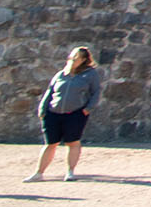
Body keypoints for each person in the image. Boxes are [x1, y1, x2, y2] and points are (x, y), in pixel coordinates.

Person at [25, 45, 103, 183]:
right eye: (71, 57)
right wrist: (43, 109)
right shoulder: (61, 74)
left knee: (72, 142)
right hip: (53, 113)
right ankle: (39, 173)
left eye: (76, 58)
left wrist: (88, 108)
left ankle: (70, 172)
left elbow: (96, 92)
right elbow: (50, 92)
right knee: (50, 143)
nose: (72, 60)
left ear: (84, 60)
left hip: (75, 113)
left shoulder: (90, 74)